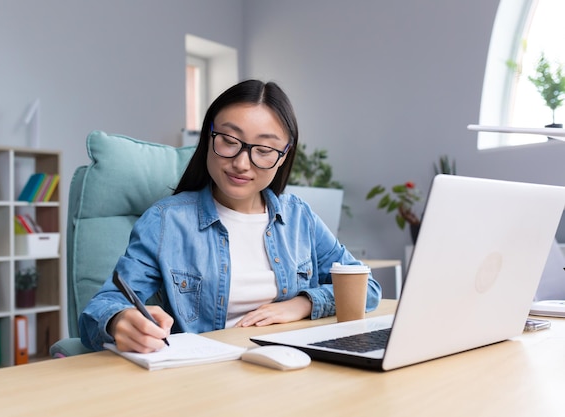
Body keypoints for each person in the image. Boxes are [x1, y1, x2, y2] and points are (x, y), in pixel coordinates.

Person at [79, 79, 382, 353]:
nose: (241, 163)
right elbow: (102, 307)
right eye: (228, 140)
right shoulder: (166, 222)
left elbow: (366, 288)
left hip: (293, 367)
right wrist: (120, 321)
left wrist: (302, 304)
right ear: (209, 137)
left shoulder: (299, 218)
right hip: (207, 377)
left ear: (283, 156)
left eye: (263, 149)